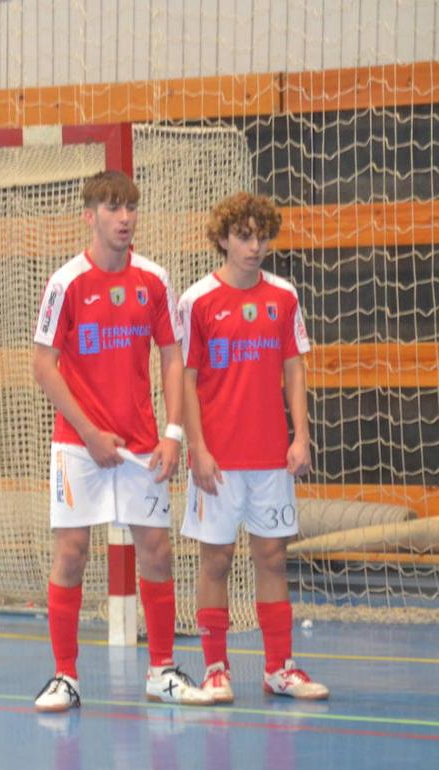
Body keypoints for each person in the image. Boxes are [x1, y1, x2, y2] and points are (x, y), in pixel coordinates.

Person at [31, 171, 213, 712]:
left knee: (156, 550)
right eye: (113, 208)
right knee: (71, 553)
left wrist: (174, 433)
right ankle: (65, 675)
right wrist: (88, 432)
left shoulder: (154, 281)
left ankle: (161, 670)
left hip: (140, 444)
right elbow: (43, 365)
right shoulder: (65, 282)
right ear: (90, 216)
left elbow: (173, 357)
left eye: (131, 207)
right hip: (77, 444)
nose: (125, 217)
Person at [177, 192, 328, 702]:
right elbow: (187, 379)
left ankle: (279, 668)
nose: (255, 245)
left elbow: (294, 367)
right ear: (222, 239)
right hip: (217, 460)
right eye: (244, 236)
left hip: (270, 458)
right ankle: (216, 668)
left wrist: (300, 436)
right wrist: (196, 447)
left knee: (272, 557)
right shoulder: (196, 300)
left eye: (262, 236)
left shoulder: (283, 296)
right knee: (215, 560)